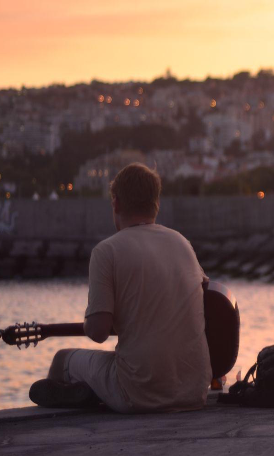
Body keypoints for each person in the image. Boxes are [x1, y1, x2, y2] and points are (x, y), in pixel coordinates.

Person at [28, 163, 212, 413]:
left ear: (116, 203)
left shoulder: (107, 252)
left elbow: (98, 332)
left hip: (139, 393)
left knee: (63, 359)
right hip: (195, 390)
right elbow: (205, 299)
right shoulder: (182, 244)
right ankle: (92, 391)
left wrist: (99, 318)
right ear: (155, 203)